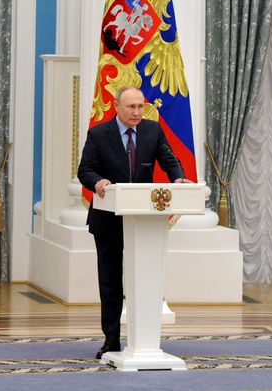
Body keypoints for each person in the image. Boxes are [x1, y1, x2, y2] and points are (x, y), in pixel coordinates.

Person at [77, 86, 186, 359]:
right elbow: (85, 170)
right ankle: (111, 341)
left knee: (145, 278)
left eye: (140, 107)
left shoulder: (153, 130)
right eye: (131, 107)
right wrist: (97, 182)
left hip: (144, 221)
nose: (137, 112)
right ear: (117, 106)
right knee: (111, 281)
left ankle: (145, 340)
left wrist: (178, 178)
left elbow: (169, 159)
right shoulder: (99, 134)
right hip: (108, 218)